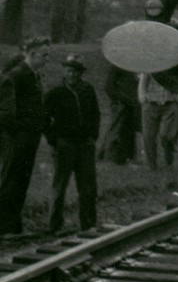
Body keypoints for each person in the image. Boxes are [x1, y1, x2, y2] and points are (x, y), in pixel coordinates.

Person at [43, 54, 100, 233]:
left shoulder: (87, 90)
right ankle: (54, 226)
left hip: (85, 145)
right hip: (64, 144)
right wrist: (53, 139)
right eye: (68, 71)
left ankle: (88, 224)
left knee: (88, 187)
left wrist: (93, 136)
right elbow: (44, 117)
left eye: (75, 71)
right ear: (64, 71)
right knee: (59, 186)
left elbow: (96, 114)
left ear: (80, 73)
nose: (71, 75)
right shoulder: (56, 91)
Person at [0, 37, 50, 235]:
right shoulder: (17, 75)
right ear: (32, 54)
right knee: (11, 179)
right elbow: (6, 110)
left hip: (30, 136)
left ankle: (13, 225)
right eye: (44, 55)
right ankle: (4, 226)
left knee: (22, 180)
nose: (47, 59)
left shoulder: (34, 75)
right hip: (18, 137)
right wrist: (19, 131)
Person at [98, 65, 138, 165]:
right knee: (116, 130)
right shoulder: (117, 66)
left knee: (127, 131)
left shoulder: (133, 67)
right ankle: (110, 157)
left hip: (131, 103)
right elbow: (108, 86)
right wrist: (117, 100)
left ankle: (125, 157)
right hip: (121, 103)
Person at [138, 73, 178, 169]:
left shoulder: (172, 67)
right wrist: (143, 97)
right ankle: (151, 165)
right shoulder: (150, 68)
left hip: (169, 104)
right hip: (150, 104)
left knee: (166, 134)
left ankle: (169, 154)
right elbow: (142, 83)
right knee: (149, 136)